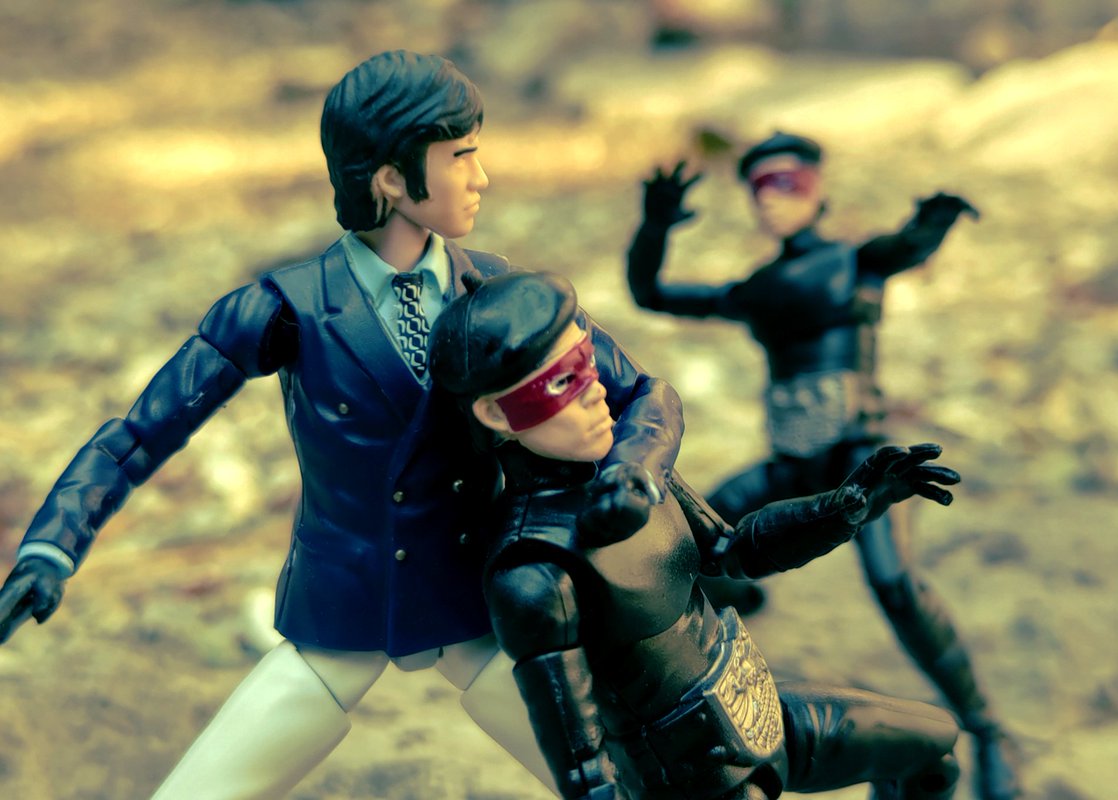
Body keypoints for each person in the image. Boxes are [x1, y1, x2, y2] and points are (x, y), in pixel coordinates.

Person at [0, 50, 684, 799]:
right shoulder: (286, 308)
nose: (481, 177)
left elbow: (641, 393)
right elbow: (142, 433)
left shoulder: (498, 293)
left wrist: (633, 471)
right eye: (459, 157)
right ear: (390, 179)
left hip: (478, 601)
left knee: (628, 786)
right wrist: (53, 545)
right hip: (343, 608)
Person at [429, 269, 966, 800]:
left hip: (757, 709)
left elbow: (733, 549)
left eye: (588, 363)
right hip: (692, 778)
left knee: (932, 747)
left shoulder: (634, 475)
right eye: (562, 383)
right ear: (494, 412)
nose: (595, 393)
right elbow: (584, 767)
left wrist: (848, 506)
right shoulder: (534, 573)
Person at [624, 133, 1021, 800]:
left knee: (897, 586)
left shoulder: (853, 263)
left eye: (790, 185)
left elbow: (903, 248)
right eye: (760, 188)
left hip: (863, 458)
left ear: (817, 191)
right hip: (791, 462)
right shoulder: (758, 288)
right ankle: (740, 603)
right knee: (685, 547)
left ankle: (986, 727)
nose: (773, 200)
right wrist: (655, 224)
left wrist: (934, 222)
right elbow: (652, 293)